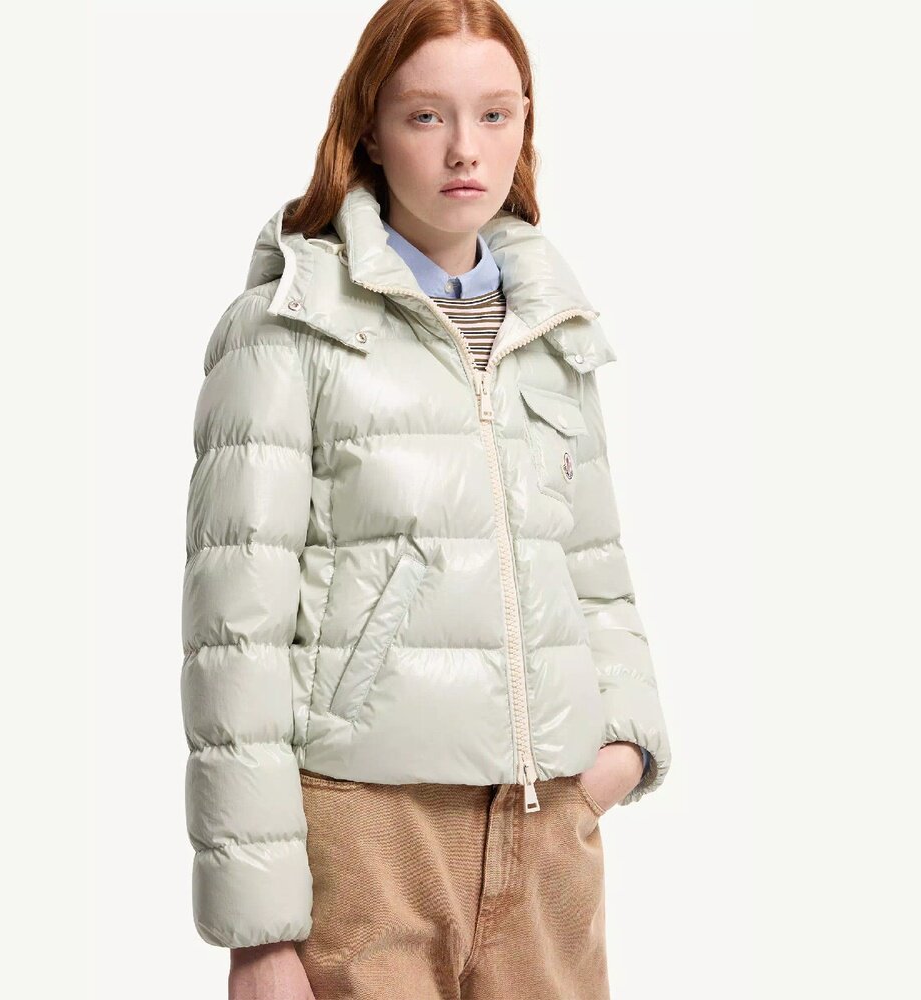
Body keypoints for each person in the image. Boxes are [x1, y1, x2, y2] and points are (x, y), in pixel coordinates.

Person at [180, 2, 671, 997]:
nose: (464, 150)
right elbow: (234, 638)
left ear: (525, 123)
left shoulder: (553, 329)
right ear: (369, 128)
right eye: (424, 116)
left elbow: (594, 566)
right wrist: (259, 934)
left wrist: (622, 743)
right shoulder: (289, 328)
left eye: (495, 114)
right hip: (368, 835)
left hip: (549, 827)